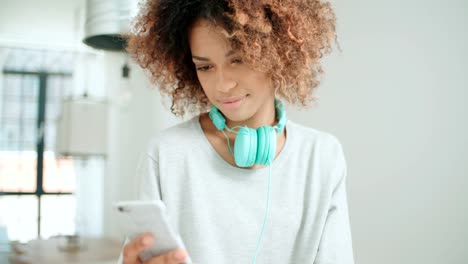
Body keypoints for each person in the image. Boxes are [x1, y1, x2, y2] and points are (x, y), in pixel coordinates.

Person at [119, 0, 354, 263]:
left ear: (277, 54)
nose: (223, 85)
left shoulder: (321, 157)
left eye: (239, 60)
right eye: (205, 67)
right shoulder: (165, 154)